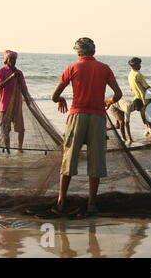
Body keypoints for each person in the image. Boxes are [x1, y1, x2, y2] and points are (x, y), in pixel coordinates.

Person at [51, 38, 123, 216]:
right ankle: (92, 204)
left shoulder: (72, 68)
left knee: (69, 158)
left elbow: (55, 96)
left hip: (77, 116)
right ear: (93, 51)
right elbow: (118, 94)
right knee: (96, 161)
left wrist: (60, 100)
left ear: (78, 52)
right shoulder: (104, 68)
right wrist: (108, 101)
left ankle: (61, 202)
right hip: (98, 118)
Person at [0, 50, 28, 153]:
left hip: (17, 104)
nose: (13, 61)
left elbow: (23, 88)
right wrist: (11, 77)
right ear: (6, 60)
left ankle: (19, 148)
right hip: (4, 105)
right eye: (11, 59)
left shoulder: (19, 73)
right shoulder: (1, 71)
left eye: (15, 59)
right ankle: (8, 150)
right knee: (6, 130)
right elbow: (0, 86)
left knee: (21, 129)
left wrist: (27, 99)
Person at [127, 57, 151, 136]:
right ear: (135, 65)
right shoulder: (138, 74)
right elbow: (146, 87)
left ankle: (147, 132)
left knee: (144, 116)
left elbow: (131, 88)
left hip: (137, 99)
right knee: (150, 116)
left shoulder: (130, 74)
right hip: (144, 98)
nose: (140, 66)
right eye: (139, 64)